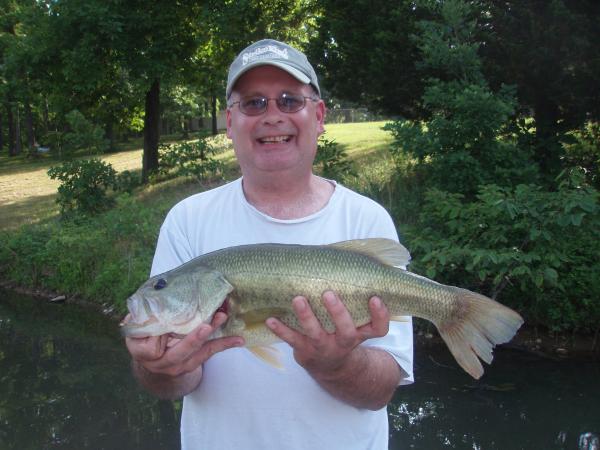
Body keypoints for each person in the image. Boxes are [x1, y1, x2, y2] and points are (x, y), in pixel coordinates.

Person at [125, 38, 413, 450]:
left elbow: (380, 390)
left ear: (318, 115)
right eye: (254, 103)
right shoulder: (187, 220)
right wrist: (159, 367)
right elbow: (175, 382)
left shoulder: (366, 219)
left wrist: (337, 366)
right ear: (230, 121)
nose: (272, 116)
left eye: (289, 100)